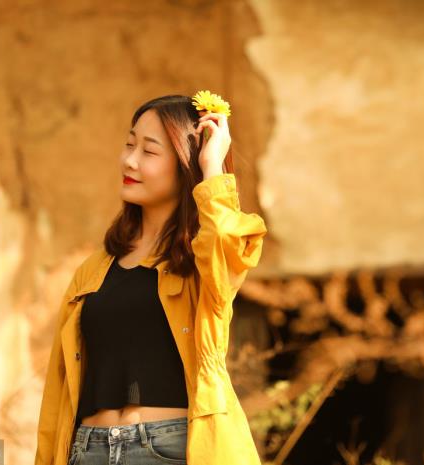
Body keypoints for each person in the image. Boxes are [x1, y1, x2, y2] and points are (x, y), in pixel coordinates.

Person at [34, 94, 268, 465]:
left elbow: (225, 238)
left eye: (149, 151)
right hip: (88, 450)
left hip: (169, 449)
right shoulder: (93, 270)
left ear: (186, 164)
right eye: (130, 145)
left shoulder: (202, 261)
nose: (130, 160)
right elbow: (58, 389)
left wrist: (212, 167)